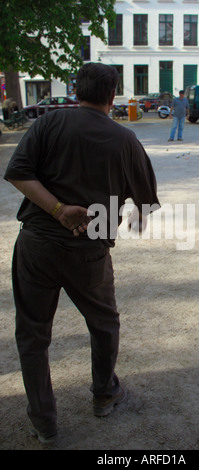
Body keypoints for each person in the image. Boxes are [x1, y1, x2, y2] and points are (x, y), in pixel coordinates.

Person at [4, 62, 160, 444]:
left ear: (76, 91)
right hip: (89, 253)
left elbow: (18, 173)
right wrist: (120, 219)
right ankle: (104, 394)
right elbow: (146, 210)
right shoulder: (126, 140)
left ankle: (44, 422)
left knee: (33, 336)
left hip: (37, 245)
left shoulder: (48, 124)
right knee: (104, 323)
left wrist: (57, 210)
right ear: (113, 95)